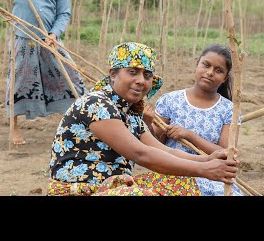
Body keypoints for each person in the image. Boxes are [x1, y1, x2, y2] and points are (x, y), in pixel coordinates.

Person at [48, 42, 238, 196]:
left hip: (115, 187)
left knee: (182, 184)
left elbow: (161, 149)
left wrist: (206, 161)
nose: (141, 80)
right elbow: (140, 154)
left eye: (147, 75)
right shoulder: (96, 104)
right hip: (81, 189)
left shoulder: (131, 113)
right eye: (132, 72)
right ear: (113, 74)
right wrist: (203, 170)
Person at [0, 0, 86, 145]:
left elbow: (64, 13)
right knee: (17, 81)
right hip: (22, 37)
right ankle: (14, 129)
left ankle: (74, 126)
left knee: (72, 77)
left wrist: (54, 33)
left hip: (49, 39)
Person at [151, 44, 243, 196]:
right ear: (197, 64)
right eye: (206, 65)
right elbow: (154, 144)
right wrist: (148, 121)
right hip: (173, 171)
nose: (210, 73)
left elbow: (227, 154)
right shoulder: (170, 100)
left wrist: (190, 135)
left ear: (225, 78)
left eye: (218, 70)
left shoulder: (230, 110)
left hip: (213, 176)